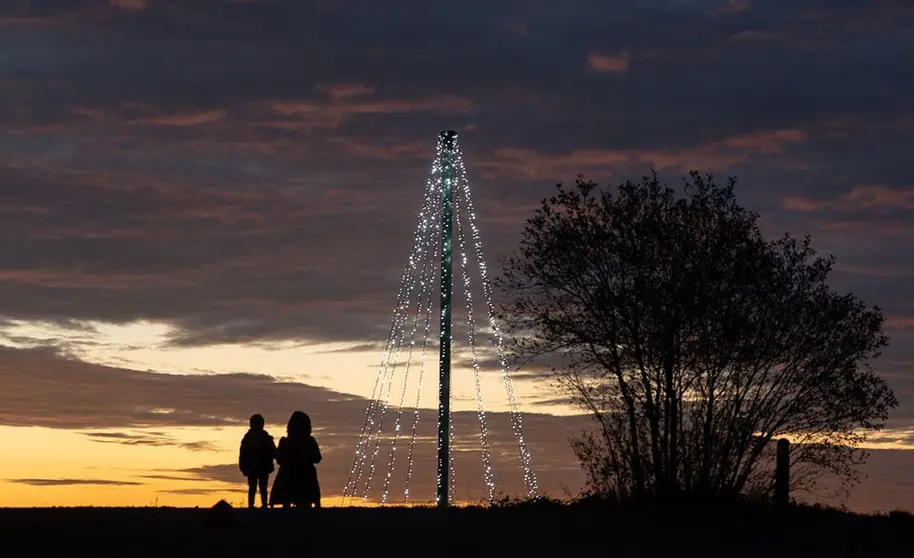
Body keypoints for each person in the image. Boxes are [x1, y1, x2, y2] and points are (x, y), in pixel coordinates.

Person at [269, 411, 322, 508]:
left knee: (286, 503)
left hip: (288, 477)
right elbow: (317, 458)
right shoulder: (310, 441)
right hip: (306, 477)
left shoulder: (285, 442)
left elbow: (280, 460)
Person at [238, 413, 277, 509]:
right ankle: (252, 505)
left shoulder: (262, 436)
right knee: (253, 487)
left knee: (261, 487)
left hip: (262, 466)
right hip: (254, 466)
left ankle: (262, 504)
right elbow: (243, 453)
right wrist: (243, 466)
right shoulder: (248, 437)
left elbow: (272, 450)